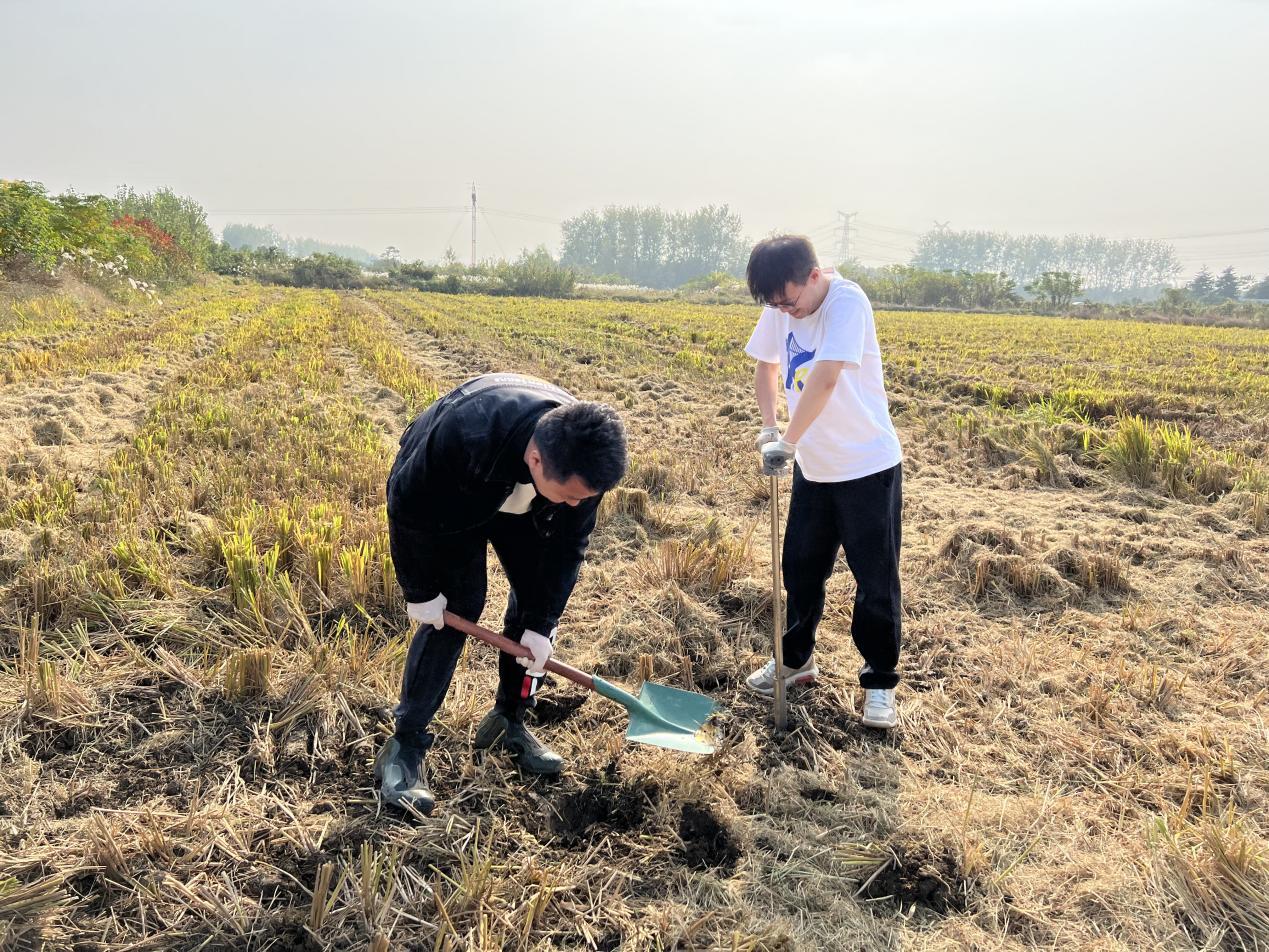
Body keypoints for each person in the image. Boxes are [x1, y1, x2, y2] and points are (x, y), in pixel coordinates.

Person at [375, 372, 628, 812]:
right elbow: (405, 504)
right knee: (459, 608)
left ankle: (508, 720)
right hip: (456, 499)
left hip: (525, 504)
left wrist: (542, 625)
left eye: (583, 498)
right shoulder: (462, 437)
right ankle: (405, 746)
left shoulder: (582, 469)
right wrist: (419, 589)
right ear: (535, 458)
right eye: (570, 496)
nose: (577, 504)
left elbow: (570, 547)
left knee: (535, 607)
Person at [742, 235, 904, 729]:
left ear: (813, 276)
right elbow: (767, 365)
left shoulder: (847, 301)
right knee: (801, 569)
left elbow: (827, 375)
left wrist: (787, 443)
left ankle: (879, 684)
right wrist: (770, 426)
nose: (784, 311)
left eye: (789, 301)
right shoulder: (781, 304)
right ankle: (796, 660)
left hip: (865, 466)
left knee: (874, 581)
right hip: (815, 467)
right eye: (774, 304)